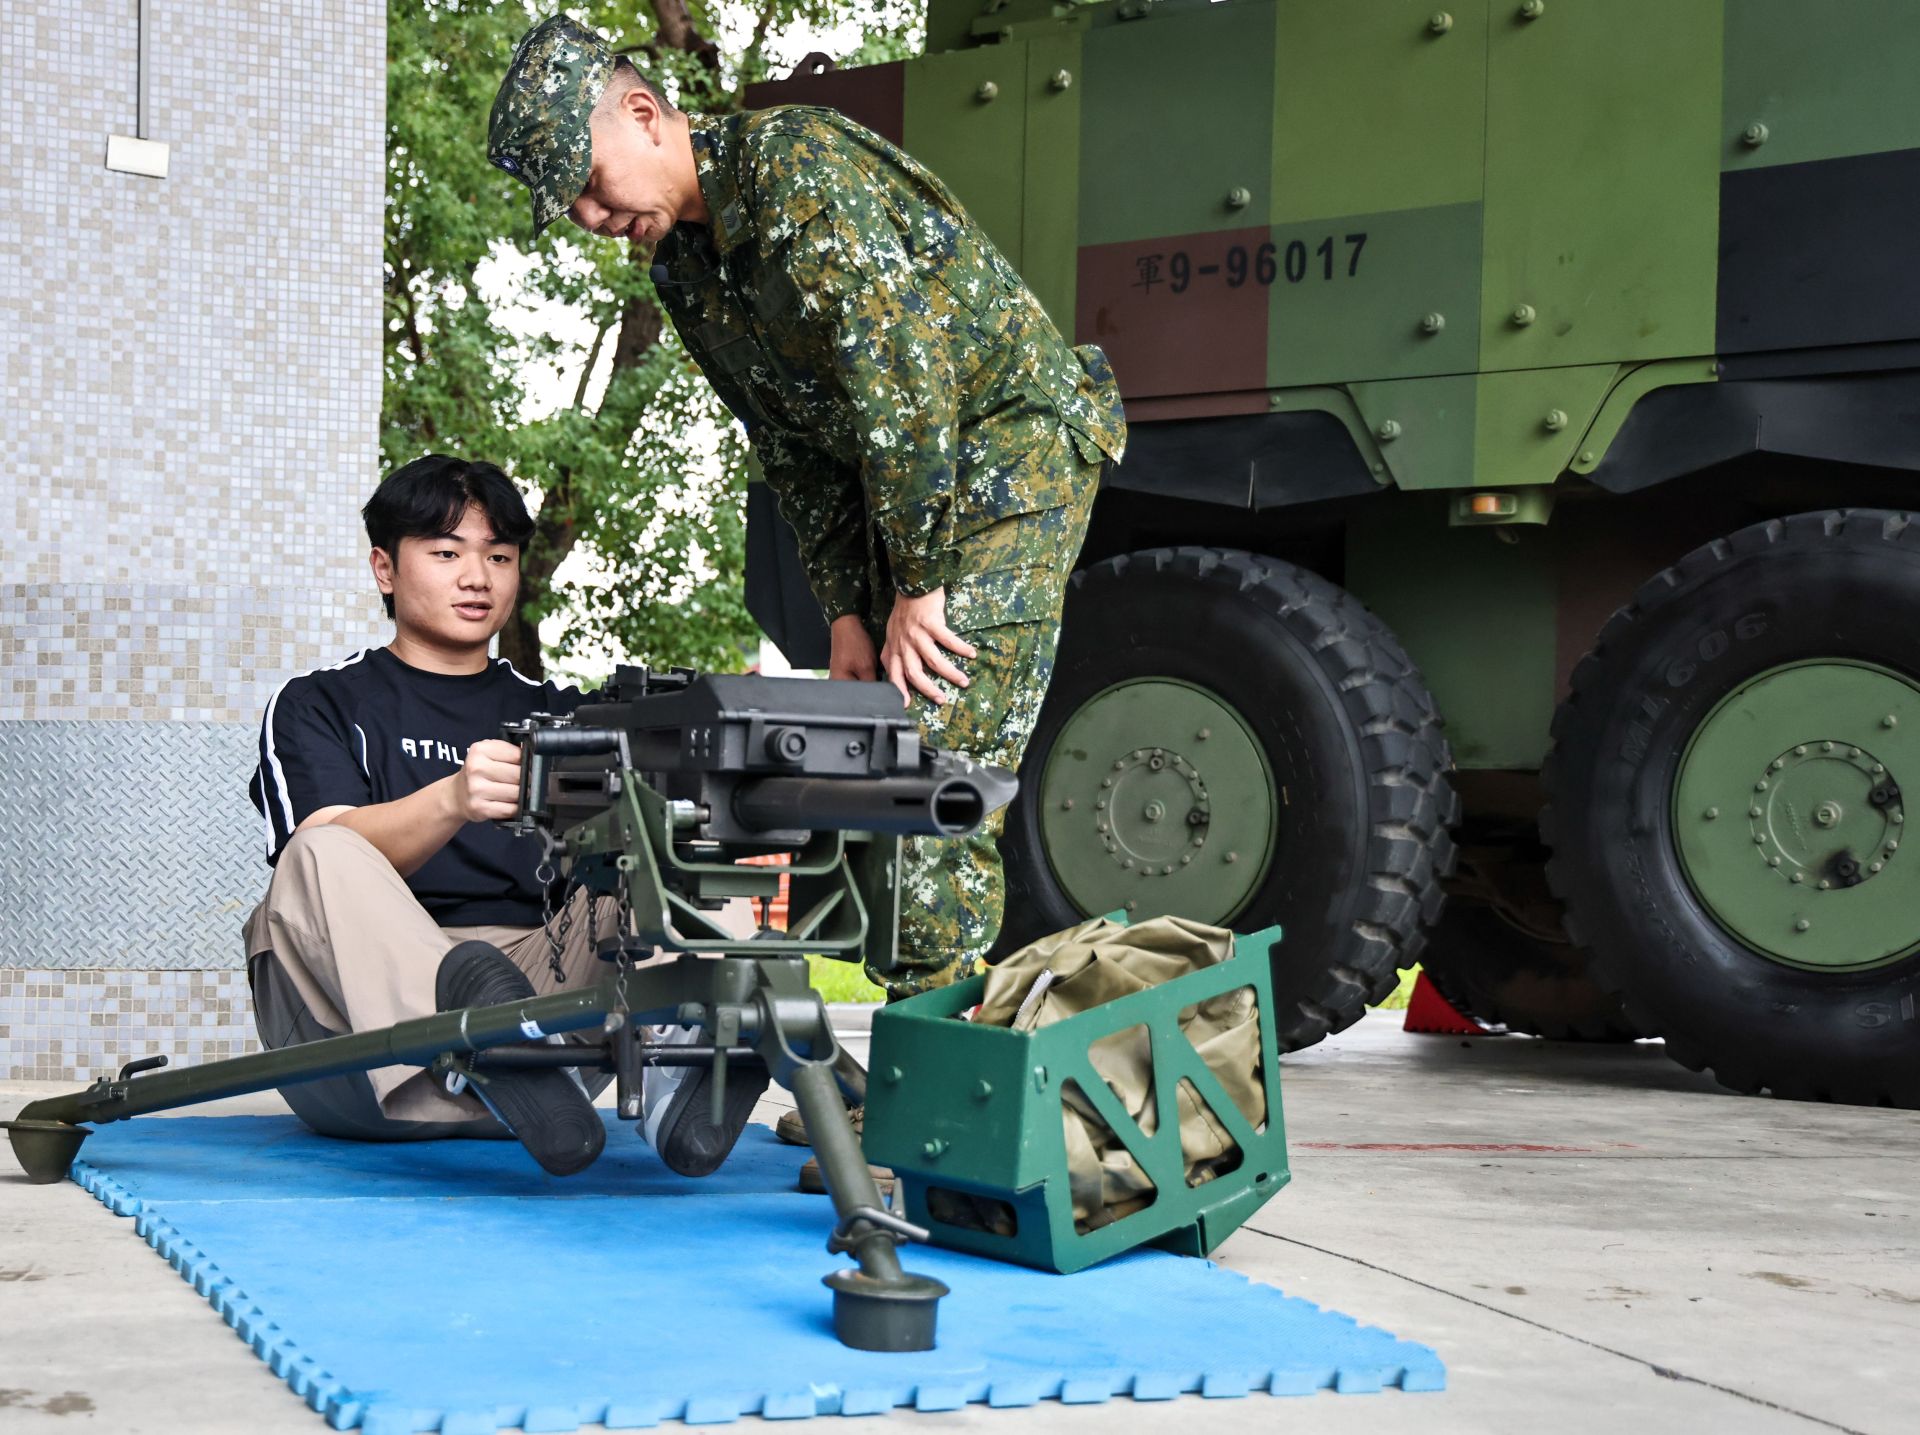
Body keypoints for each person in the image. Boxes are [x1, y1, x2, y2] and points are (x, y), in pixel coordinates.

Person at [486, 20, 1127, 1032]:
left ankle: (936, 1084)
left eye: (586, 176)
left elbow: (906, 383)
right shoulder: (687, 275)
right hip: (908, 479)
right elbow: (793, 445)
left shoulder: (797, 170)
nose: (586, 213)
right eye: (566, 200)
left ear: (645, 115)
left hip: (1008, 446)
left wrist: (917, 585)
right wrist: (845, 612)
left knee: (932, 763)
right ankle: (921, 1058)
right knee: (870, 755)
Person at [243, 454, 765, 1175]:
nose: (477, 577)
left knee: (674, 852)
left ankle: (685, 1078)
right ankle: (493, 1042)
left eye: (499, 555)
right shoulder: (319, 702)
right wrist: (452, 799)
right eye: (447, 552)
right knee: (320, 849)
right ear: (385, 569)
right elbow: (317, 867)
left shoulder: (558, 713)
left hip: (544, 1020)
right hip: (360, 1043)